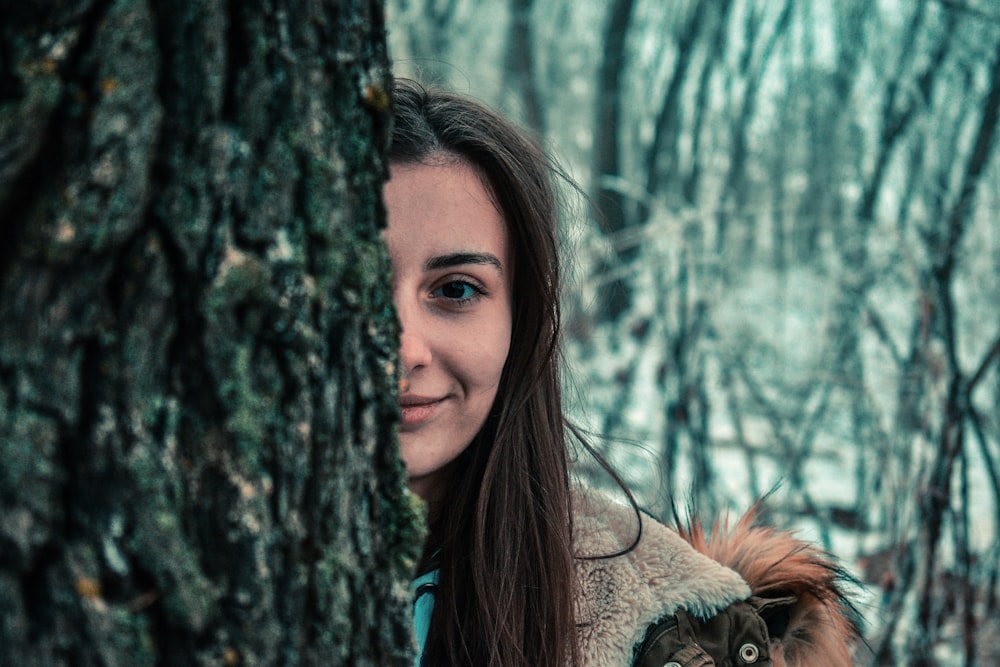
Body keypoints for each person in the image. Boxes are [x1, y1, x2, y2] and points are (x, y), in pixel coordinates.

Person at [383, 78, 859, 667]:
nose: (401, 348)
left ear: (522, 322)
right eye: (356, 285)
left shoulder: (678, 637)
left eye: (456, 289)